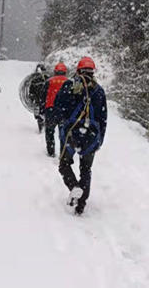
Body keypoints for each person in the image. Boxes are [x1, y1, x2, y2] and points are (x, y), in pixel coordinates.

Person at [53, 57, 107, 215]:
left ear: (77, 70)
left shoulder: (69, 86)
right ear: (93, 71)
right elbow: (103, 118)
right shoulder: (99, 91)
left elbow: (58, 107)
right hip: (91, 136)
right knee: (86, 169)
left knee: (64, 164)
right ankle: (81, 204)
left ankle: (74, 187)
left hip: (71, 133)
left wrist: (62, 124)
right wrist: (100, 141)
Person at [39, 62, 68, 157]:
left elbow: (42, 97)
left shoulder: (48, 81)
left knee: (50, 131)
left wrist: (41, 110)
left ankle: (51, 151)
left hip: (50, 110)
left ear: (55, 71)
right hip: (64, 111)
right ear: (65, 72)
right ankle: (63, 153)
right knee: (63, 133)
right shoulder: (69, 82)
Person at [28, 64, 48, 132]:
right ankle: (43, 128)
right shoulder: (47, 79)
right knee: (42, 114)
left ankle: (42, 128)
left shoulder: (34, 80)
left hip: (40, 101)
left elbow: (31, 92)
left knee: (39, 115)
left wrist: (32, 99)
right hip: (44, 100)